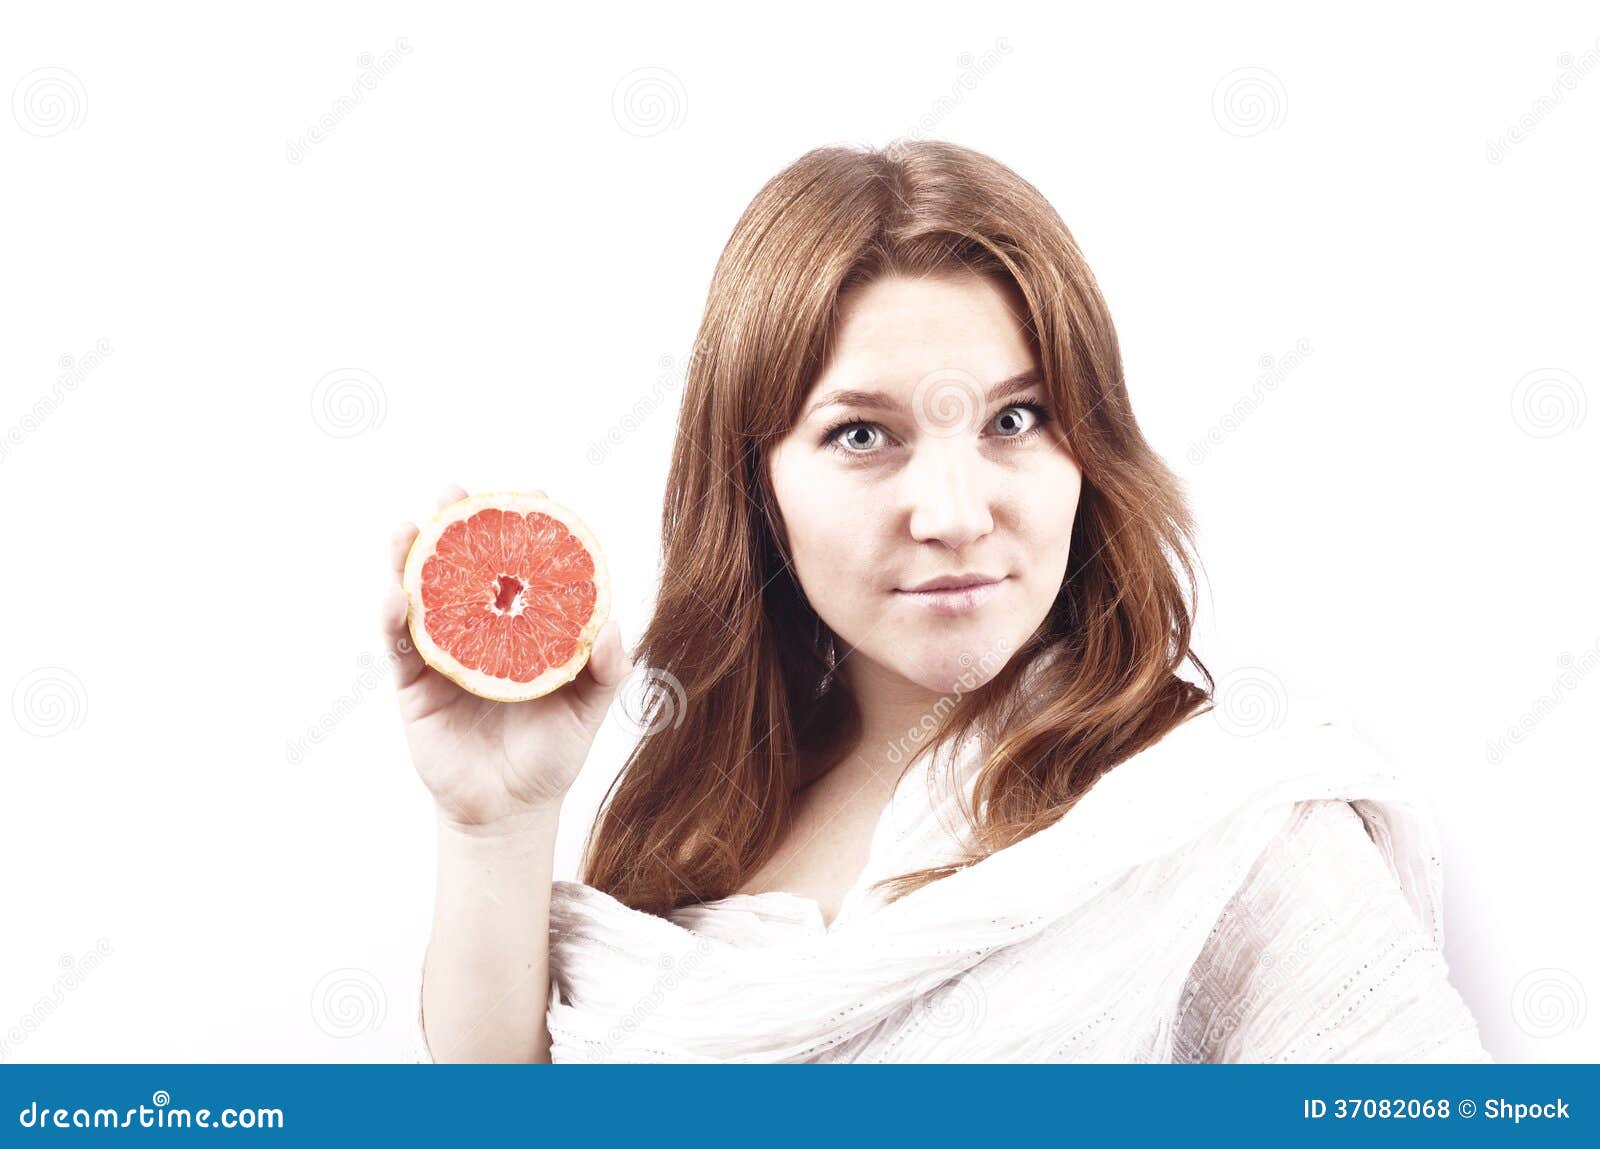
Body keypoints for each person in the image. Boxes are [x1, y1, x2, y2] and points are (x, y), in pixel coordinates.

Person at [381, 140, 1492, 1063]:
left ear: (1087, 451)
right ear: (755, 483)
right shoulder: (687, 827)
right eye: (862, 434)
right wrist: (497, 824)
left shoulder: (1221, 827)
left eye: (1014, 420)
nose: (953, 511)